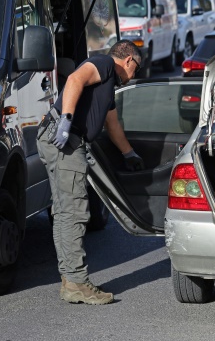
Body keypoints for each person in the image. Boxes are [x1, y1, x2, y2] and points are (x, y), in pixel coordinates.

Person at [37, 40, 143, 305]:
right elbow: (74, 79)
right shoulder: (105, 65)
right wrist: (66, 120)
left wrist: (129, 153)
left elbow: (112, 124)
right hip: (66, 140)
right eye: (136, 70)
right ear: (129, 60)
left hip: (60, 139)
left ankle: (69, 279)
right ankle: (76, 283)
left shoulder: (107, 87)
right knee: (73, 211)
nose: (134, 77)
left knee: (63, 212)